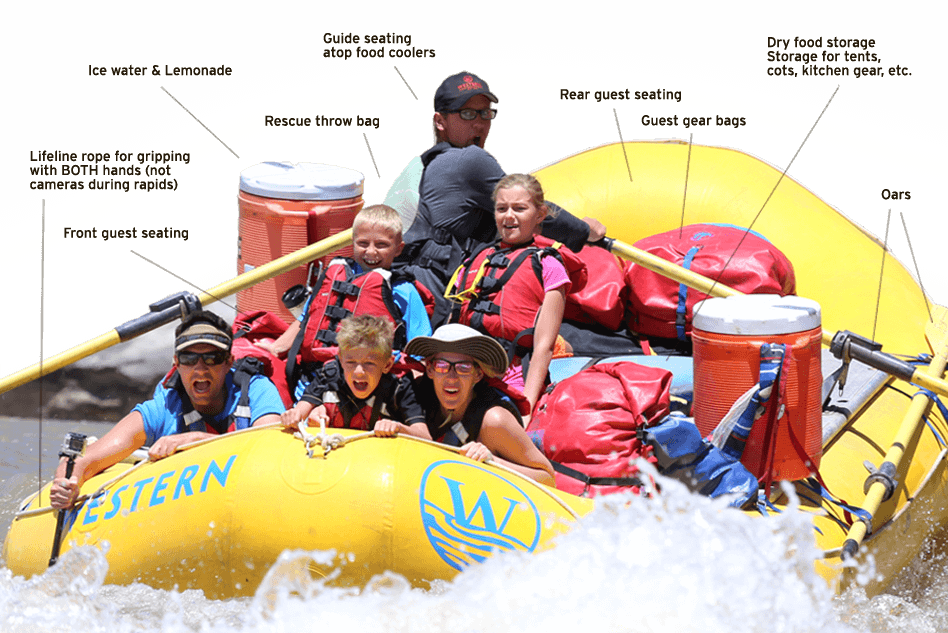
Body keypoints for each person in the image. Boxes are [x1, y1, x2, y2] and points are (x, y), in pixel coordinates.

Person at [386, 71, 606, 323]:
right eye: (467, 114)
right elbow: (528, 207)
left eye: (485, 113)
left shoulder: (425, 163)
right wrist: (584, 230)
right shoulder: (469, 160)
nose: (480, 123)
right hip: (437, 300)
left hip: (411, 289)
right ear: (440, 121)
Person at [50, 310, 284, 509]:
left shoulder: (256, 388)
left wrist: (197, 439)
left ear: (229, 362)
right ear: (176, 363)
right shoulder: (164, 407)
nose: (200, 369)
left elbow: (270, 445)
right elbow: (89, 458)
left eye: (212, 358)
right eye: (189, 358)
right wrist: (67, 481)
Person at [255, 204, 432, 393]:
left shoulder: (404, 290)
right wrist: (277, 347)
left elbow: (420, 348)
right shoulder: (332, 274)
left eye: (381, 245)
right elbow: (305, 319)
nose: (371, 252)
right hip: (314, 380)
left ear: (398, 249)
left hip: (368, 384)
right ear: (352, 242)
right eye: (363, 243)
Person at [446, 173, 576, 411]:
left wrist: (525, 408)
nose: (509, 216)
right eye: (501, 208)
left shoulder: (548, 265)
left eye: (519, 208)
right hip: (462, 376)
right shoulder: (475, 261)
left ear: (540, 214)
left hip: (511, 379)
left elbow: (544, 347)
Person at [405, 324, 555, 485]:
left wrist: (492, 462)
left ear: (478, 374)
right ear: (429, 370)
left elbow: (547, 478)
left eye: (464, 368)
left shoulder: (494, 420)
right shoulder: (414, 398)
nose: (452, 377)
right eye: (442, 366)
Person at [281, 315, 431, 439]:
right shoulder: (328, 375)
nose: (359, 371)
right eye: (351, 362)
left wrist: (398, 428)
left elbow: (425, 436)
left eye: (369, 363)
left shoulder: (399, 387)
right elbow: (299, 413)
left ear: (387, 365)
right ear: (340, 358)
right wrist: (293, 417)